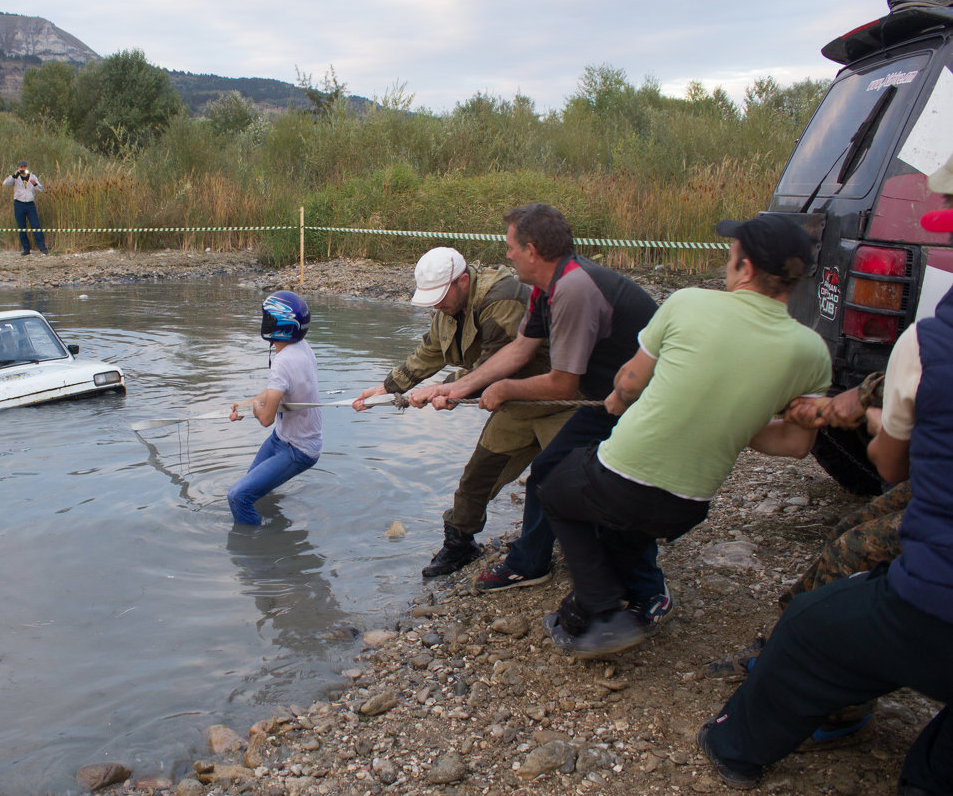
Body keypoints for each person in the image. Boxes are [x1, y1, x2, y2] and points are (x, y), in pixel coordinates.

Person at [533, 213, 831, 659]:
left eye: (731, 255)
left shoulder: (689, 302)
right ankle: (592, 615)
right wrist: (730, 418)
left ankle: (603, 613)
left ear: (745, 269)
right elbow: (794, 444)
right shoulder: (813, 351)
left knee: (554, 487)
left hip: (622, 475)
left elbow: (630, 383)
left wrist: (616, 400)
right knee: (630, 532)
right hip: (688, 504)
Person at [697, 285, 953, 795]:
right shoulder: (927, 345)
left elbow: (889, 462)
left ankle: (833, 707)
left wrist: (883, 424)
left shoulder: (931, 340)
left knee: (834, 585)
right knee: (849, 532)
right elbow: (886, 395)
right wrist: (851, 401)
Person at [408, 205, 670, 626]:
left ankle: (648, 590)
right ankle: (531, 563)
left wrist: (503, 389)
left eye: (511, 247)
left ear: (531, 250)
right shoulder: (543, 286)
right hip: (601, 394)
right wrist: (458, 387)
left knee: (610, 492)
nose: (506, 255)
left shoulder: (573, 289)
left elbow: (563, 384)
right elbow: (520, 349)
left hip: (642, 402)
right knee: (549, 474)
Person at [352, 246, 572, 577]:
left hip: (559, 401)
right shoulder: (447, 309)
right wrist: (387, 388)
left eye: (440, 296)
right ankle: (460, 545)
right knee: (477, 477)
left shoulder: (503, 296)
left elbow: (497, 365)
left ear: (463, 281)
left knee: (563, 484)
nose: (435, 304)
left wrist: (447, 389)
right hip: (515, 406)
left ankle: (584, 560)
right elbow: (428, 352)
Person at [227, 291, 321, 525]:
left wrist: (257, 409)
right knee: (252, 488)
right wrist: (249, 404)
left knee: (238, 496)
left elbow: (266, 418)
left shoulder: (282, 361)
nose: (264, 322)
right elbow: (277, 392)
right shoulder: (302, 346)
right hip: (282, 438)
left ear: (282, 325)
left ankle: (256, 550)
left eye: (268, 318)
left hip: (298, 449)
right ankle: (277, 525)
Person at [2, 160, 48, 256]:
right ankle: (26, 248)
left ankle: (42, 247)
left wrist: (35, 184)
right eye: (21, 167)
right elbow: (5, 184)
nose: (23, 169)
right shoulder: (15, 178)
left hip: (30, 204)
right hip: (19, 204)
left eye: (25, 167)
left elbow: (41, 189)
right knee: (21, 227)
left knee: (36, 225)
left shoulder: (32, 176)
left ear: (27, 168)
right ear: (18, 168)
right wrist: (14, 175)